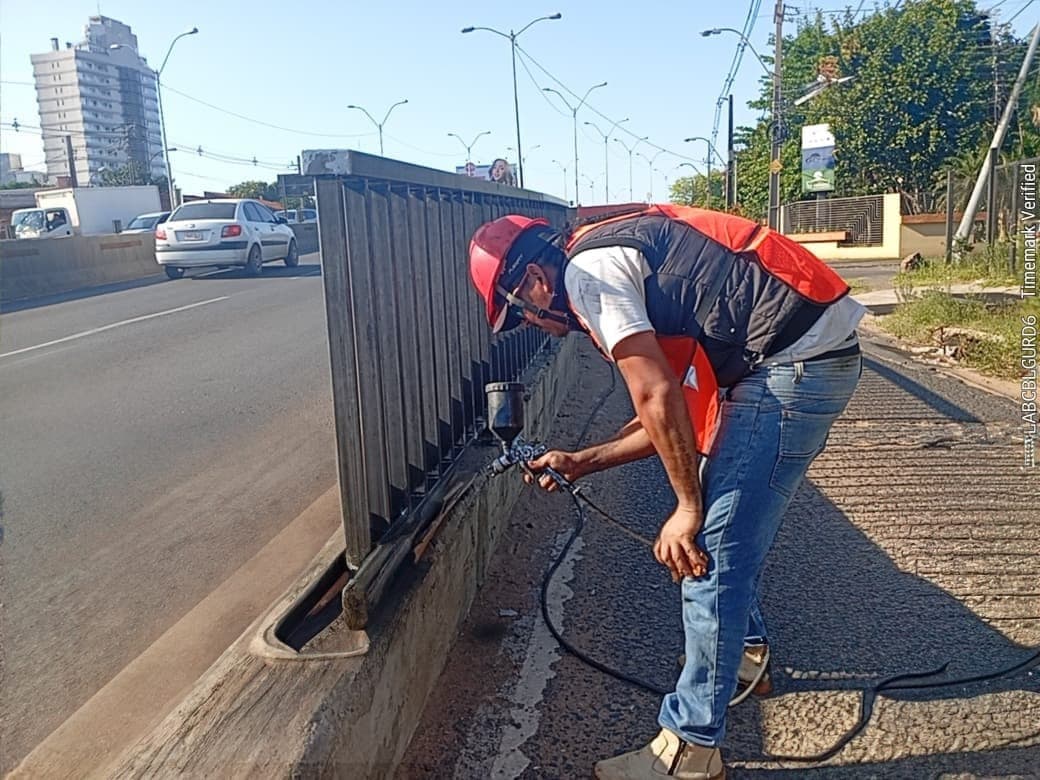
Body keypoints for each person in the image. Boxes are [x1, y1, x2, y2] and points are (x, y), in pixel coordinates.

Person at [468, 204, 864, 780]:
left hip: (791, 363)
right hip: (799, 355)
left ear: (534, 282)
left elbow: (656, 396)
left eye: (521, 315)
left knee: (707, 551)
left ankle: (690, 750)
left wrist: (685, 509)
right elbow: (668, 409)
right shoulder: (612, 253)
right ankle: (745, 657)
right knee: (719, 532)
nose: (532, 325)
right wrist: (582, 461)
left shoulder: (590, 275)